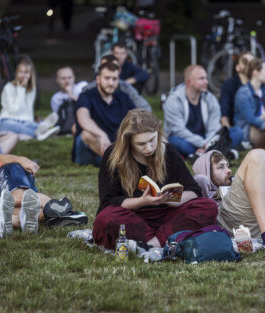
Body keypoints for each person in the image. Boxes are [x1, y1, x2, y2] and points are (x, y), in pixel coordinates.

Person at [93, 109, 218, 250]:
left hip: (166, 214)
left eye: (152, 140)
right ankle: (167, 239)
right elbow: (107, 202)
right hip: (132, 216)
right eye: (141, 144)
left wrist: (171, 199)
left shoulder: (168, 151)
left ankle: (152, 244)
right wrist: (141, 201)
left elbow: (194, 190)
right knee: (106, 218)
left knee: (208, 206)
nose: (149, 148)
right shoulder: (112, 156)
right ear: (128, 142)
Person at [0, 148, 88, 234]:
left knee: (18, 197)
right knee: (21, 212)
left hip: (2, 177)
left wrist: (20, 159)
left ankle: (55, 205)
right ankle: (56, 217)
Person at [164, 65, 243, 157]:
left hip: (207, 138)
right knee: (173, 140)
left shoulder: (210, 99)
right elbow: (178, 130)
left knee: (237, 132)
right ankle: (218, 151)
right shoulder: (174, 100)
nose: (206, 82)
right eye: (201, 79)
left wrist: (207, 143)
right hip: (186, 139)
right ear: (189, 82)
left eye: (206, 78)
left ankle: (199, 154)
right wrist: (202, 143)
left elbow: (214, 127)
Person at [74, 62, 136, 166]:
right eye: (107, 78)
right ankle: (119, 162)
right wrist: (101, 135)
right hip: (91, 151)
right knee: (87, 134)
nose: (111, 83)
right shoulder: (86, 96)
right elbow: (83, 119)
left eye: (114, 79)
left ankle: (118, 159)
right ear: (98, 79)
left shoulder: (123, 97)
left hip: (116, 147)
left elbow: (137, 120)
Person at [0, 57, 60, 141]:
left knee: (30, 125)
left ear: (31, 74)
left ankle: (44, 127)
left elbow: (28, 111)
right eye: (21, 72)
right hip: (7, 120)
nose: (23, 75)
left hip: (25, 122)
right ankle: (39, 133)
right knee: (17, 127)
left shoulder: (32, 89)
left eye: (26, 72)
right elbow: (14, 110)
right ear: (16, 73)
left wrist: (31, 122)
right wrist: (21, 89)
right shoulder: (9, 87)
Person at [84, 54, 152, 112]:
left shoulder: (125, 93)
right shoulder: (88, 91)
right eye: (105, 67)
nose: (111, 83)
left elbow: (144, 107)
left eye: (113, 67)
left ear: (119, 70)